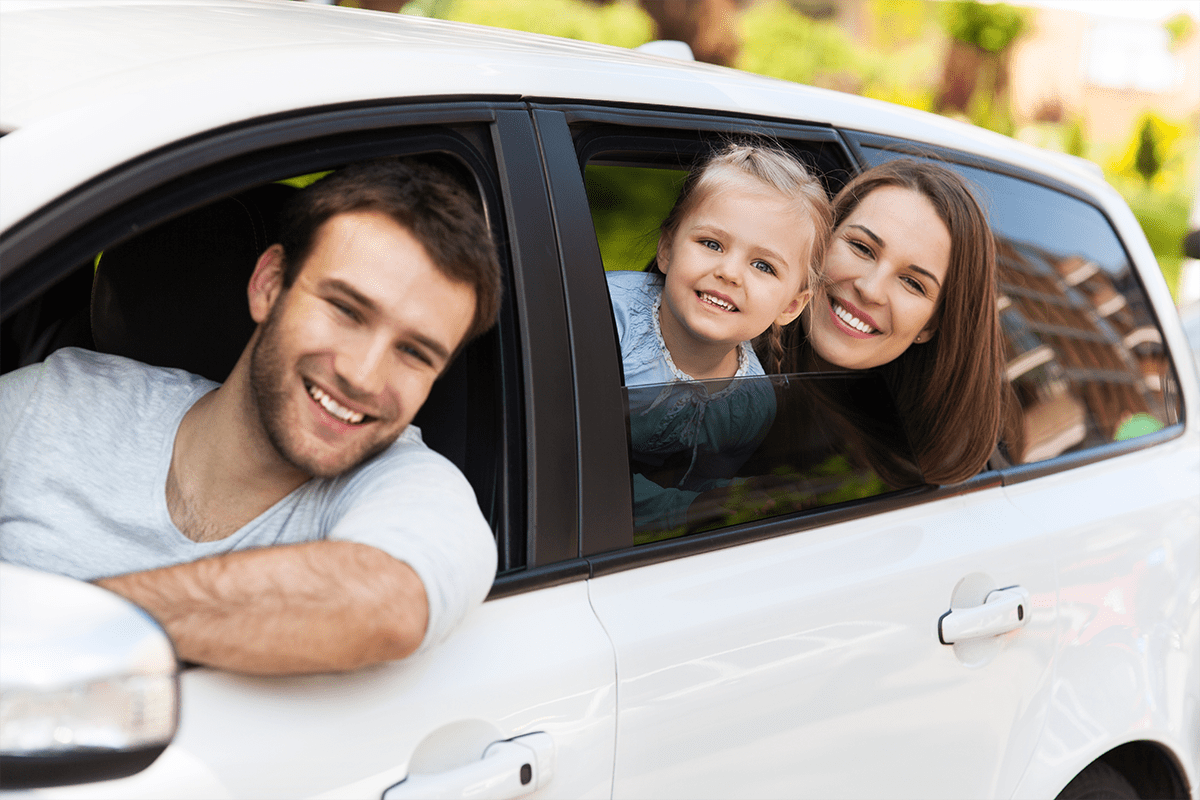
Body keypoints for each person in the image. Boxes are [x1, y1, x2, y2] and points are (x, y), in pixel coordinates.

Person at [0, 157, 503, 675]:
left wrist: (57, 635)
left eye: (416, 353)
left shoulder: (418, 487)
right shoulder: (53, 402)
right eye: (346, 310)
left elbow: (388, 602)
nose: (364, 377)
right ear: (268, 284)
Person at [606, 141, 833, 532]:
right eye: (711, 243)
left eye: (763, 265)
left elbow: (700, 492)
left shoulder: (752, 404)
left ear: (791, 307)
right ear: (666, 249)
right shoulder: (606, 319)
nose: (729, 272)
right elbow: (568, 461)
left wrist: (729, 500)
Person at [779, 158, 1006, 485]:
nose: (870, 289)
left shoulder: (904, 473)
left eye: (913, 283)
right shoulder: (712, 349)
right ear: (820, 241)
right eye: (861, 247)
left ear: (930, 325)